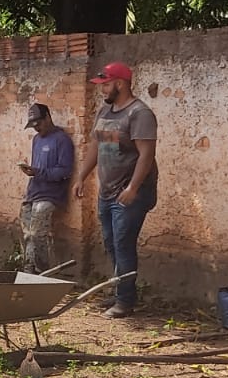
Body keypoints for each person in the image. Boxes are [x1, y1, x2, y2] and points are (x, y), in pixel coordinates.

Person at [72, 62, 158, 318]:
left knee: (123, 243)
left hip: (131, 192)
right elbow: (98, 148)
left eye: (106, 84)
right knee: (111, 243)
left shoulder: (139, 114)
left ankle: (125, 301)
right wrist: (81, 177)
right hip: (107, 191)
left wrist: (133, 187)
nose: (102, 90)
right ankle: (120, 289)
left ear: (120, 84)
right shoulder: (106, 112)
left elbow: (146, 155)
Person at [19, 103, 75, 274]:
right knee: (27, 234)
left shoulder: (62, 140)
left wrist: (39, 172)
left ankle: (43, 270)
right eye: (33, 125)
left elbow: (65, 171)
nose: (36, 128)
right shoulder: (36, 139)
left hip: (51, 194)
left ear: (48, 118)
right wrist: (32, 171)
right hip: (34, 191)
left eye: (39, 124)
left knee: (36, 233)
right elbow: (38, 166)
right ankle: (29, 268)